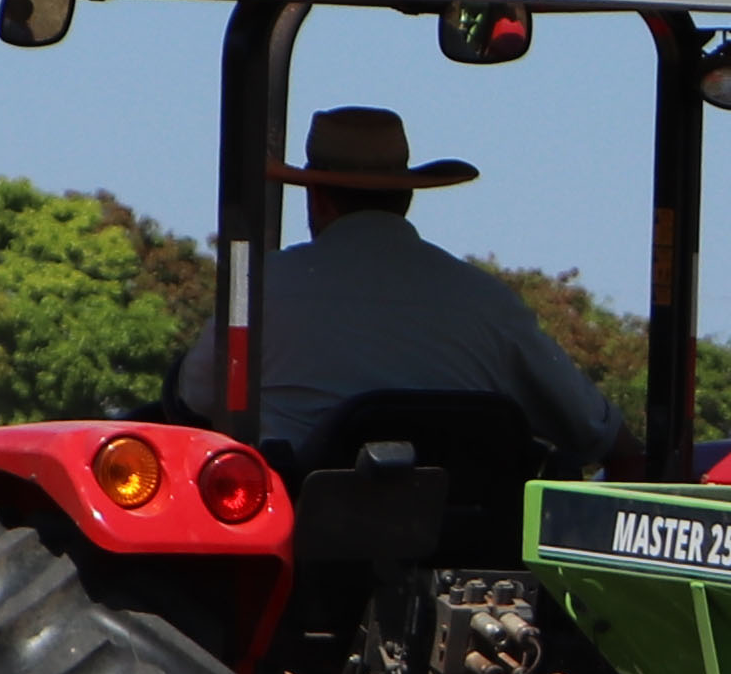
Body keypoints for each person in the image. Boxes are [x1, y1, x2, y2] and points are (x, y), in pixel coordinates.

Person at [181, 105, 628, 468]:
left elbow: (195, 398)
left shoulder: (261, 286)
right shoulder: (487, 301)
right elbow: (592, 429)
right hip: (469, 545)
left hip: (308, 542)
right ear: (407, 196)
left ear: (317, 197)